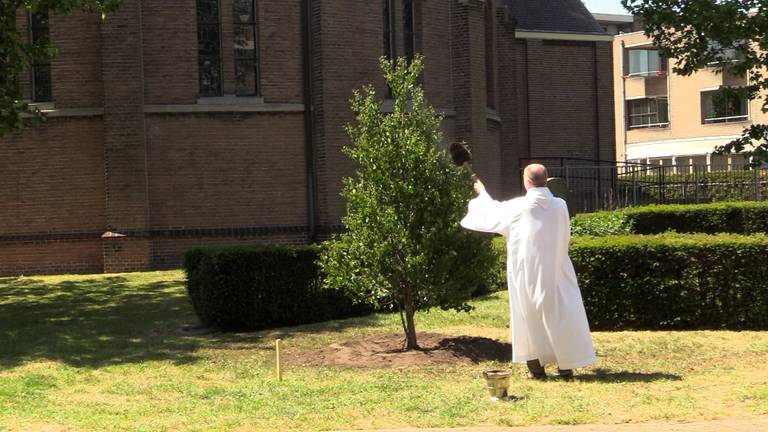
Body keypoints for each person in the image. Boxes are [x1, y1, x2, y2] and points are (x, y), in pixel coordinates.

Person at [460, 164, 596, 379]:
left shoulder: (518, 207)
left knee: (529, 316)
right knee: (561, 314)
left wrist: (481, 193)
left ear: (526, 182)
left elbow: (492, 213)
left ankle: (536, 368)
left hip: (527, 273)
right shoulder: (560, 205)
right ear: (546, 180)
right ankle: (566, 365)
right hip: (557, 271)